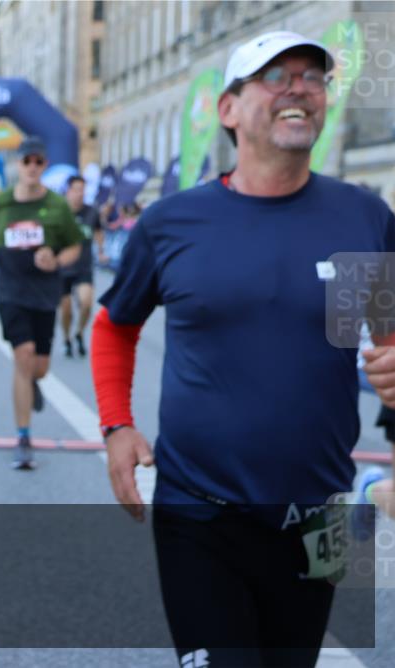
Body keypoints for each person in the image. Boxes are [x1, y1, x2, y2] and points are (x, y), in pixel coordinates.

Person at [90, 31, 395, 667]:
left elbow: (382, 334)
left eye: (313, 77)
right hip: (200, 514)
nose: (299, 89)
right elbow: (114, 326)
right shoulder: (172, 224)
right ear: (228, 109)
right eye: (275, 76)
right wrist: (117, 425)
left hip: (319, 515)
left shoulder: (362, 218)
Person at [0, 136, 83, 470]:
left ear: (44, 166)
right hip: (10, 291)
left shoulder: (58, 206)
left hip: (45, 293)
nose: (32, 167)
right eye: (26, 161)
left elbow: (75, 246)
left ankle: (33, 381)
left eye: (38, 162)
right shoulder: (1, 203)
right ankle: (23, 436)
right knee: (23, 356)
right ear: (17, 165)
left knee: (40, 366)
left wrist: (58, 259)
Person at [58, 175, 102, 358]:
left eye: (82, 189)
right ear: (68, 191)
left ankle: (79, 332)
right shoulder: (58, 212)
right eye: (75, 189)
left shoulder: (91, 212)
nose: (79, 193)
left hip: (84, 267)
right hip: (62, 268)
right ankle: (67, 338)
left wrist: (100, 250)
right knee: (66, 309)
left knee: (86, 303)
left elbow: (98, 231)